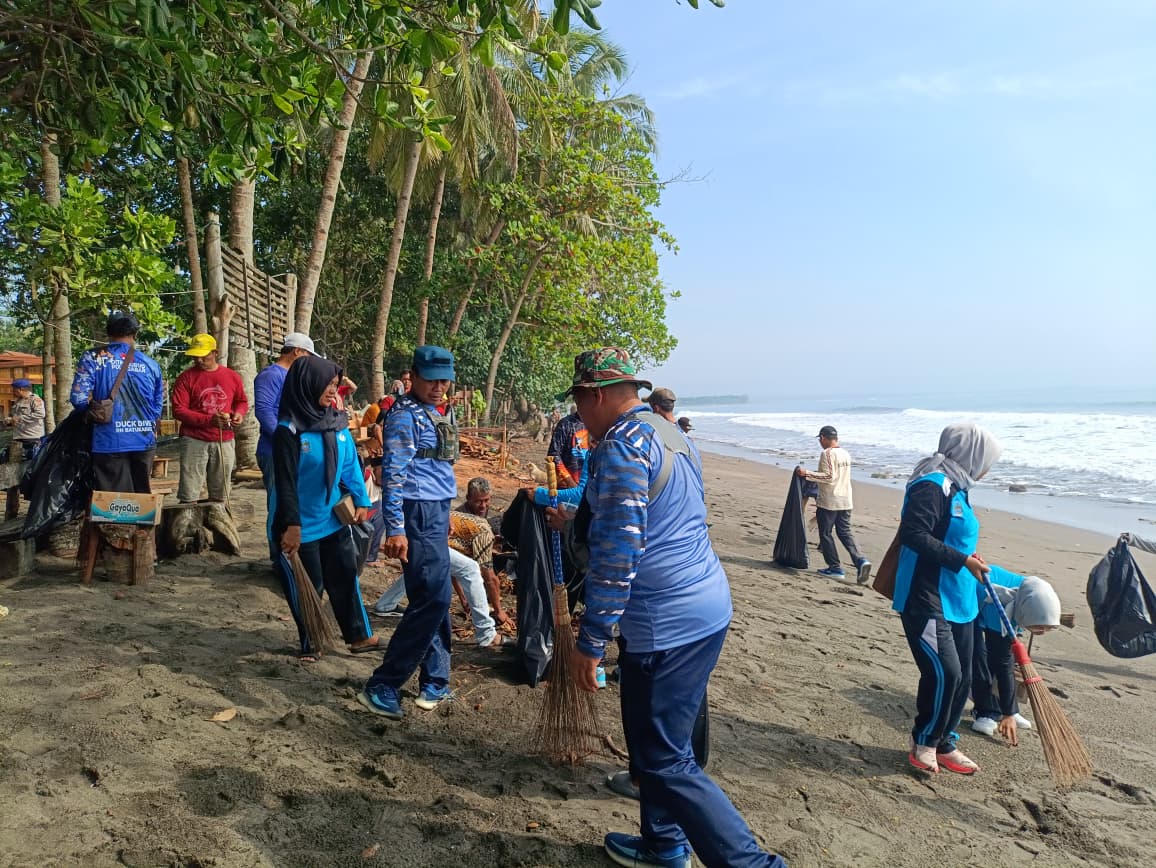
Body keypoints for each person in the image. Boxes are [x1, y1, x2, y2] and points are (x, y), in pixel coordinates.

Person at [562, 347, 786, 868]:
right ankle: (664, 844)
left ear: (594, 395)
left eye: (578, 403)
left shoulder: (619, 446)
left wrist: (591, 640)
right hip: (705, 603)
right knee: (654, 742)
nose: (578, 416)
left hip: (666, 623)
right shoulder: (671, 434)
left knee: (663, 759)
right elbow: (663, 513)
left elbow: (619, 554)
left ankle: (752, 864)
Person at [893, 422, 1001, 775]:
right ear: (969, 453)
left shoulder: (959, 486)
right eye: (986, 459)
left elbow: (951, 535)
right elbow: (913, 534)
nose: (986, 467)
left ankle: (945, 743)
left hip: (960, 597)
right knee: (945, 673)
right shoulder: (932, 484)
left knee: (964, 677)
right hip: (925, 595)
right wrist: (961, 560)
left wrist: (971, 557)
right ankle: (924, 741)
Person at [359, 346, 460, 720]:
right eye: (431, 379)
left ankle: (435, 680)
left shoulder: (443, 412)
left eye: (444, 379)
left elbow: (442, 468)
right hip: (415, 513)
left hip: (436, 510)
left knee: (431, 595)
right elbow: (394, 477)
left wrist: (446, 510)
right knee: (433, 598)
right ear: (413, 377)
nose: (438, 386)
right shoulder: (404, 417)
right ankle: (384, 683)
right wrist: (397, 528)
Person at [271, 355, 381, 661]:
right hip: (299, 525)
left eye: (335, 384)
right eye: (328, 384)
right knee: (310, 587)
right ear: (308, 384)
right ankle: (312, 642)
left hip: (332, 519)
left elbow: (349, 466)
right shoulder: (288, 431)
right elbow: (285, 484)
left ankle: (359, 637)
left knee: (345, 576)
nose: (333, 390)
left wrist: (361, 498)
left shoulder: (336, 423)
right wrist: (291, 526)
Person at [70, 310, 164, 493]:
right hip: (144, 440)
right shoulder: (151, 364)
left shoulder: (94, 358)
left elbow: (78, 397)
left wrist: (94, 413)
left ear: (108, 333)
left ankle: (115, 522)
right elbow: (157, 404)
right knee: (141, 493)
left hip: (108, 439)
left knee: (113, 499)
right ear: (135, 334)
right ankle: (141, 522)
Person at [971, 567, 1060, 741]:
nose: (1042, 631)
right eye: (1038, 627)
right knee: (980, 658)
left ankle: (1005, 706)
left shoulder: (1034, 593)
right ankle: (985, 712)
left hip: (1001, 607)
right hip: (969, 605)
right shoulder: (1001, 607)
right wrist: (1008, 713)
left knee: (1006, 659)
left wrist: (1010, 710)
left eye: (1047, 628)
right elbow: (1002, 662)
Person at [254, 333, 318, 560]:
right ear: (297, 351)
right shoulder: (271, 375)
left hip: (293, 450)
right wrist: (285, 440)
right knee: (278, 503)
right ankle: (277, 558)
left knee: (290, 501)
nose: (309, 360)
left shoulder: (293, 376)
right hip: (274, 452)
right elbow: (263, 411)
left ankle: (289, 554)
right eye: (308, 355)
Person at [171, 334, 248, 503]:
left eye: (203, 355)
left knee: (221, 493)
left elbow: (241, 401)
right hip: (194, 439)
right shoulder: (186, 378)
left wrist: (238, 414)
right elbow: (178, 410)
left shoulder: (231, 376)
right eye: (195, 356)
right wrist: (208, 420)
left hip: (224, 439)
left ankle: (217, 523)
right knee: (189, 492)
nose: (199, 360)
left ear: (215, 352)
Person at [796, 425, 870, 583]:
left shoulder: (827, 453)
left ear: (823, 438)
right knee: (845, 532)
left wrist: (806, 474)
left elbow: (829, 477)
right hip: (846, 499)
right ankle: (861, 560)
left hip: (830, 500)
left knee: (826, 533)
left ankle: (835, 567)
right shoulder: (845, 453)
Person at [547, 407, 589, 489]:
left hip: (590, 487)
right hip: (566, 484)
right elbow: (553, 454)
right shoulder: (566, 424)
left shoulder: (598, 424)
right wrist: (569, 481)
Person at [6, 378, 45, 460]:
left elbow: (40, 414)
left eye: (14, 389)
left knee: (31, 463)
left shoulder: (35, 399)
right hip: (18, 437)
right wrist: (9, 420)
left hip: (31, 438)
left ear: (21, 389)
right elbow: (14, 416)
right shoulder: (17, 401)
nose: (13, 392)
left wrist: (20, 418)